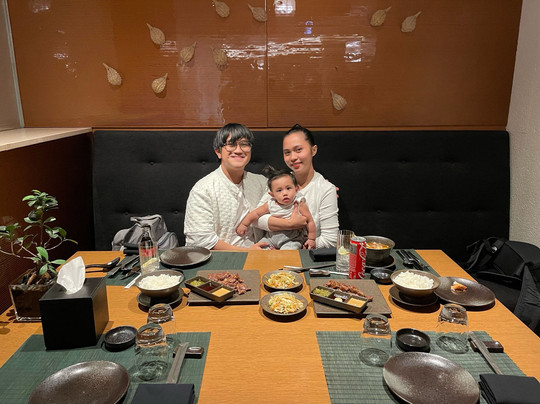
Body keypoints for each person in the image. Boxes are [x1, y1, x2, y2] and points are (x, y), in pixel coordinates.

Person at [184, 123, 270, 250]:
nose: (239, 150)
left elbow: (276, 212)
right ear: (218, 152)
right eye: (231, 144)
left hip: (260, 253)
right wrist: (246, 252)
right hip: (217, 258)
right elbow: (200, 239)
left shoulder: (261, 183)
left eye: (244, 144)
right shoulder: (203, 189)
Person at [256, 124, 339, 248]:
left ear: (313, 150)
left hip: (305, 255)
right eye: (287, 152)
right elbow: (256, 219)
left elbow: (331, 240)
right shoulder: (279, 182)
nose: (293, 157)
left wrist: (299, 245)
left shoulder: (325, 189)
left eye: (298, 149)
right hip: (271, 249)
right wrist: (290, 224)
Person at [236, 165, 317, 250]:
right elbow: (256, 213)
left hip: (292, 240)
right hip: (270, 238)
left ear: (296, 189)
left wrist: (311, 239)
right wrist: (244, 224)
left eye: (288, 188)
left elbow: (310, 221)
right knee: (260, 249)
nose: (285, 193)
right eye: (279, 190)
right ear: (272, 195)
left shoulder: (299, 203)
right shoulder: (270, 204)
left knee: (287, 253)